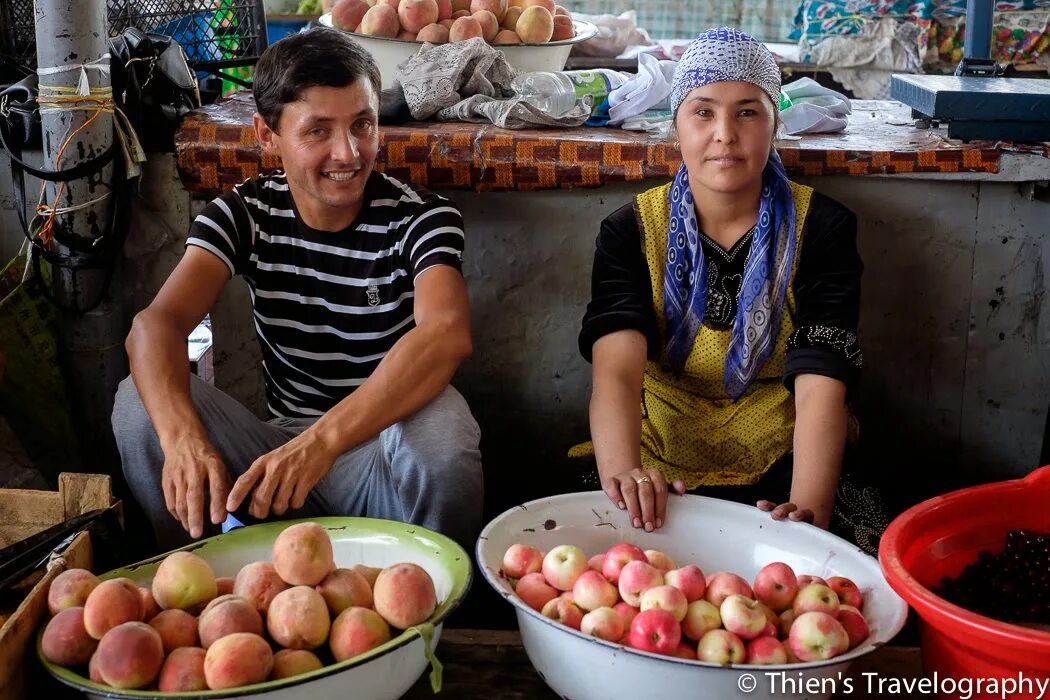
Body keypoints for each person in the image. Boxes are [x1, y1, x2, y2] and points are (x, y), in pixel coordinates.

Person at [112, 28, 483, 552]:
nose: (349, 152)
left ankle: (442, 608)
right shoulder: (244, 214)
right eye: (318, 131)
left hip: (378, 458)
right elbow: (156, 327)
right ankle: (191, 581)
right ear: (268, 136)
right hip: (276, 457)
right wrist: (184, 442)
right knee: (138, 403)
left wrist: (323, 443)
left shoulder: (422, 218)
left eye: (363, 124)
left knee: (441, 426)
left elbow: (445, 334)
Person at [575, 28, 885, 555]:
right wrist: (628, 479)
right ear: (675, 126)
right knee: (587, 546)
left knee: (858, 548)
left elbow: (821, 379)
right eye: (702, 112)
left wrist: (807, 519)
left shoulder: (822, 228)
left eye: (747, 112)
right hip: (659, 442)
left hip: (783, 448)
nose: (725, 133)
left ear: (774, 123)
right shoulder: (630, 231)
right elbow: (617, 372)